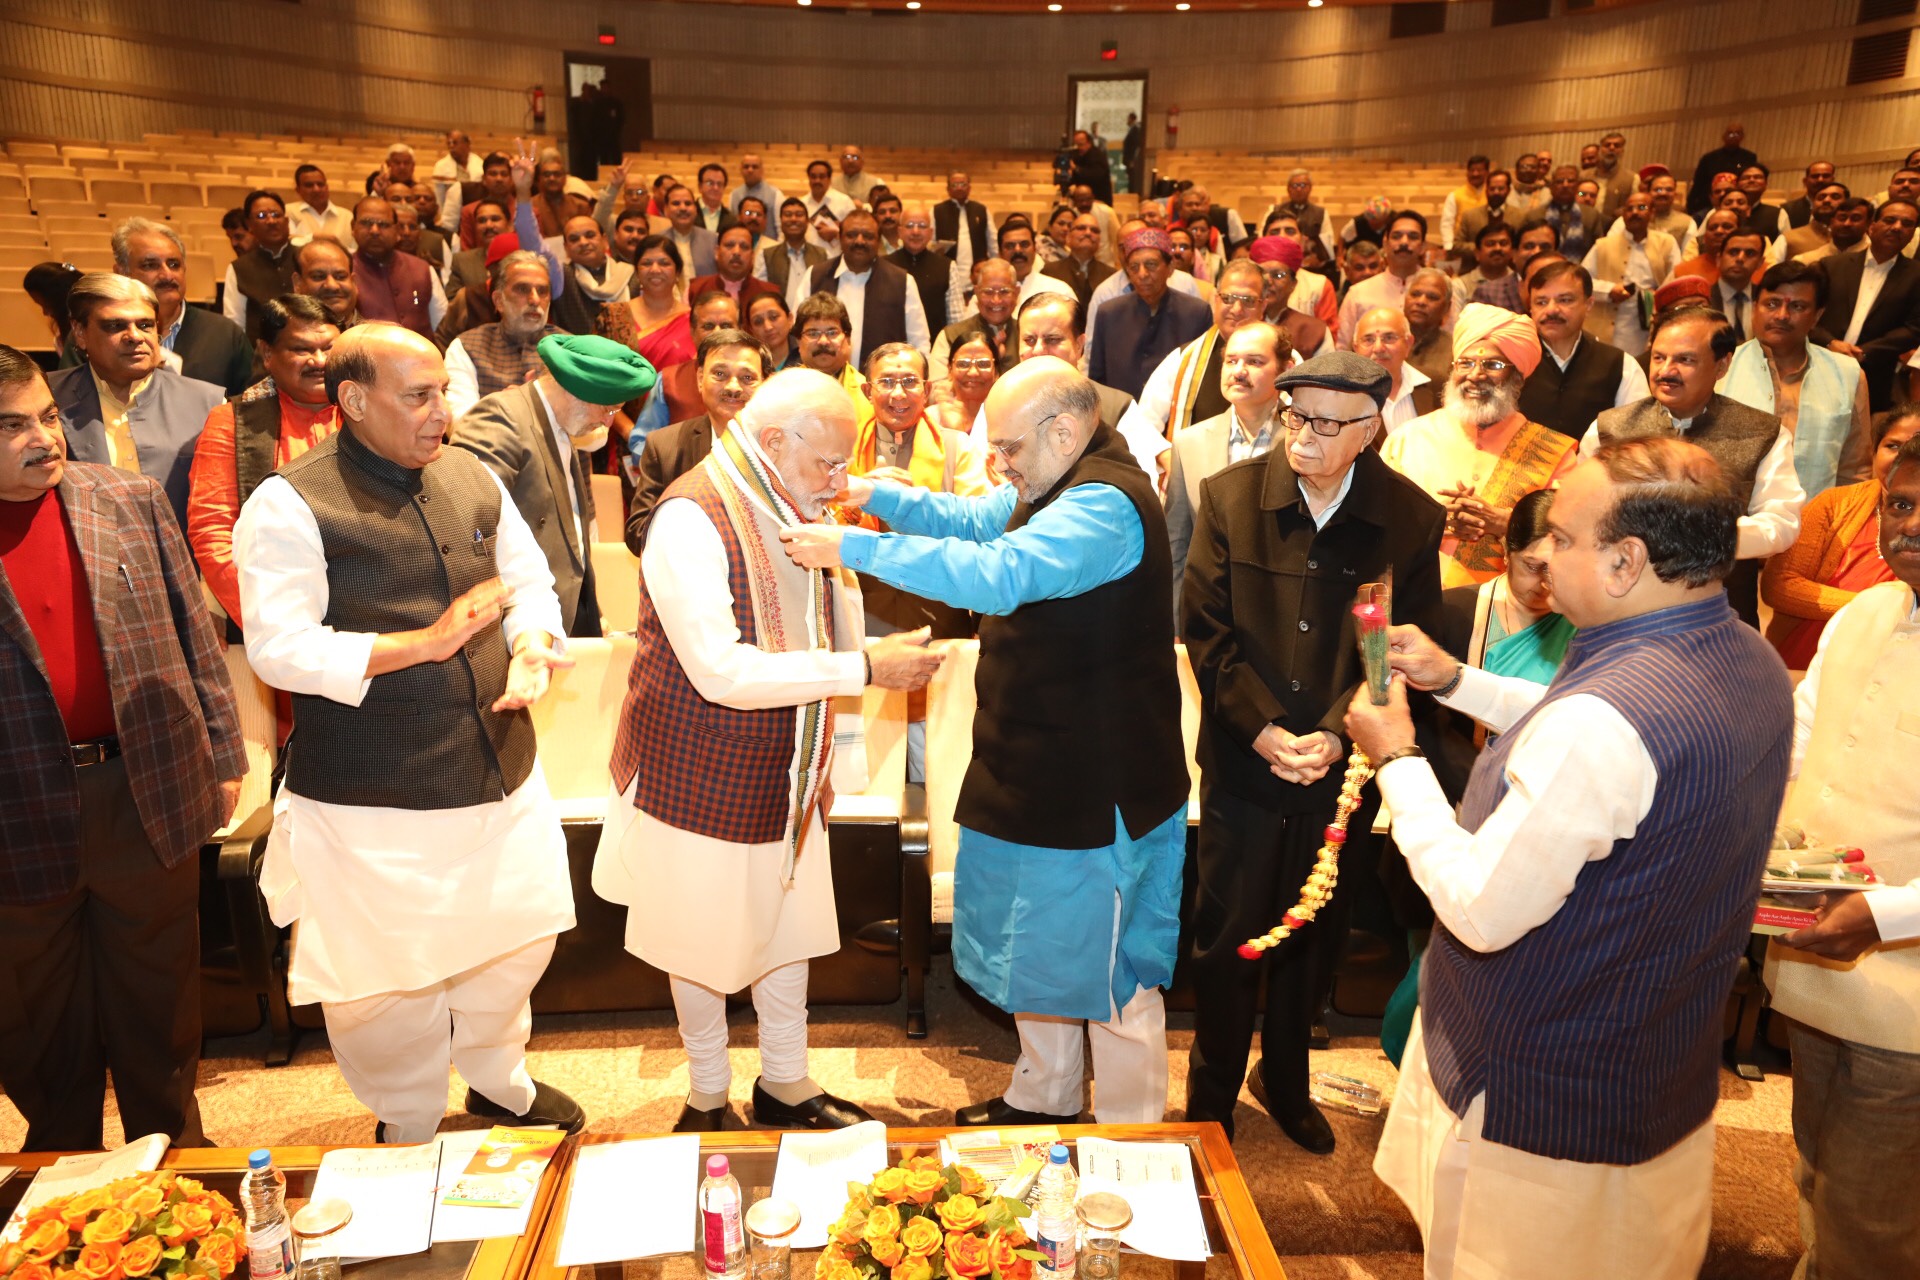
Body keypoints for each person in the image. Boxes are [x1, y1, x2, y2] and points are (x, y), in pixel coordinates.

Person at [1349, 435, 1792, 1280]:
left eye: (1561, 536)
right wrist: (1457, 681)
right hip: (1653, 1059)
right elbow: (1584, 723)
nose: (1542, 555)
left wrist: (1398, 761)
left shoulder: (1604, 723)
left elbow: (1480, 910)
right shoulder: (1747, 656)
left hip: (1546, 1096)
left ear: (1626, 562)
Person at [779, 357, 1188, 1128]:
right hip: (1036, 766)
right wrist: (870, 495)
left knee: (1111, 978)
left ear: (1065, 430)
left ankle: (1133, 1140)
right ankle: (1045, 1098)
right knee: (1043, 956)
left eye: (1008, 449)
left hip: (1099, 785)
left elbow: (998, 574)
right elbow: (973, 519)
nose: (998, 465)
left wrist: (852, 548)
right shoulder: (1052, 479)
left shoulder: (1104, 505)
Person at [235, 323, 583, 1144]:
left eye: (444, 392)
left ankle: (500, 1080)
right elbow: (279, 649)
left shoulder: (465, 472)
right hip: (373, 800)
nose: (443, 413)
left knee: (514, 946)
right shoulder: (289, 502)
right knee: (386, 985)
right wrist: (424, 644)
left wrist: (532, 645)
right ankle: (409, 1113)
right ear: (353, 401)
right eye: (419, 396)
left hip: (500, 772)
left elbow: (527, 582)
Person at [597, 368, 940, 1131]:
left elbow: (819, 609)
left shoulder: (781, 496)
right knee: (700, 940)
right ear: (775, 440)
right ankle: (708, 1094)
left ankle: (785, 1081)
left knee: (790, 929)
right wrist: (865, 669)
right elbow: (719, 671)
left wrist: (866, 649)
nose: (839, 481)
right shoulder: (693, 514)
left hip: (787, 763)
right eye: (830, 463)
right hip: (701, 765)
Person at [1181, 350, 1446, 1151]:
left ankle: (1287, 1081)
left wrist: (1336, 730)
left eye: (1328, 423)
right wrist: (1261, 727)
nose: (1304, 434)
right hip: (1243, 757)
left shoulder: (1409, 519)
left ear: (1370, 431)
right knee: (1228, 931)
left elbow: (1393, 645)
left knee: (1315, 931)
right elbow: (1205, 631)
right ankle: (1211, 1092)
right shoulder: (1227, 496)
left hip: (1342, 768)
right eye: (1295, 415)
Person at [0, 345, 245, 1152]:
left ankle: (174, 1157)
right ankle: (58, 1166)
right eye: (11, 426)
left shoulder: (127, 498)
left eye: (45, 416)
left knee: (161, 1001)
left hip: (144, 787)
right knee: (35, 1016)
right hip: (16, 808)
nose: (43, 438)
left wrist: (224, 750)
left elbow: (193, 636)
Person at [1764, 431, 1920, 1280]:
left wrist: (1885, 917)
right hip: (1817, 951)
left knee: (1874, 1215)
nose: (1911, 526)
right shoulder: (1863, 611)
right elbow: (1802, 746)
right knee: (1817, 1169)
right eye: (1900, 504)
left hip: (1909, 999)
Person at [1581, 306, 1805, 627]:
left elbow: (1781, 523)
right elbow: (1580, 507)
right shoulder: (1610, 428)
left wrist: (1701, 538)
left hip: (1722, 612)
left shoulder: (1762, 433)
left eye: (1685, 360)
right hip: (1624, 608)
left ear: (1722, 365)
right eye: (1659, 358)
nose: (1665, 371)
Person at [455, 333, 654, 637]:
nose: (610, 422)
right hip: (517, 623)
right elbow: (471, 526)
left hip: (563, 612)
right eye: (608, 409)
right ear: (577, 393)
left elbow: (569, 535)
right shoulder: (503, 417)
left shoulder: (560, 423)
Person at [1383, 305, 1576, 589]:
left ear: (1519, 378)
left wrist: (1506, 523)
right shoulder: (1407, 439)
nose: (1475, 374)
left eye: (1493, 365)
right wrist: (1434, 522)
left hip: (1508, 615)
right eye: (1465, 363)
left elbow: (1572, 537)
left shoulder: (1554, 453)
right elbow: (1372, 520)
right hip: (1412, 601)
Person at [187, 296, 341, 630]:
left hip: (368, 610)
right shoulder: (232, 420)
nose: (319, 361)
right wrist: (271, 623)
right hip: (267, 615)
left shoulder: (369, 412)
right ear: (268, 354)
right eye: (302, 349)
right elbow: (213, 531)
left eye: (329, 348)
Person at [53, 274, 225, 534]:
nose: (134, 336)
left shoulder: (209, 404)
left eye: (145, 325)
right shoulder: (47, 398)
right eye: (114, 325)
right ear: (80, 332)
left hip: (183, 567)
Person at [847, 343, 992, 641]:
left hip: (939, 609)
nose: (898, 394)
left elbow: (980, 528)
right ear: (867, 391)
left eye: (910, 382)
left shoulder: (957, 448)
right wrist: (857, 501)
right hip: (862, 611)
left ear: (926, 390)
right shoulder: (844, 451)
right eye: (886, 382)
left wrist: (918, 507)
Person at [1760, 406, 1920, 667]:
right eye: (1893, 445)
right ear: (1873, 453)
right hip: (1800, 664)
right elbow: (1779, 585)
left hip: (1892, 669)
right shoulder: (1835, 505)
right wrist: (1873, 607)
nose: (1904, 456)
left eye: (1916, 445)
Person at [1718, 260, 1872, 501]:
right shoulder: (1720, 369)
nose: (1782, 315)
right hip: (1734, 524)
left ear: (1817, 316)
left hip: (1816, 523)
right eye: (1772, 303)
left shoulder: (1847, 375)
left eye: (1798, 306)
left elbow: (1855, 471)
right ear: (1755, 307)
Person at [1164, 322, 1287, 617]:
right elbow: (1177, 544)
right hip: (1210, 610)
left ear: (1285, 370)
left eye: (1255, 361)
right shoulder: (1189, 442)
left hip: (1283, 610)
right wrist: (1178, 624)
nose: (1239, 371)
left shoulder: (1304, 439)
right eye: (1231, 361)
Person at [622, 327, 767, 550]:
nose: (733, 387)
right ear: (700, 379)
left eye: (747, 377)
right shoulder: (664, 446)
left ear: (764, 384)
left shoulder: (783, 447)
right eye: (720, 374)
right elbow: (638, 533)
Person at [1133, 260, 1274, 444]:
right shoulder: (1183, 359)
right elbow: (1143, 423)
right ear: (1216, 300)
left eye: (1248, 301)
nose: (1237, 309)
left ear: (1263, 307)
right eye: (1228, 298)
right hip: (1197, 469)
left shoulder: (1283, 360)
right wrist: (1164, 455)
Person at [112, 217, 253, 396]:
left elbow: (250, 408)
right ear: (122, 273)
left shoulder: (225, 335)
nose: (167, 275)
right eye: (150, 265)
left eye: (174, 265)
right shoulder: (100, 333)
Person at [1518, 260, 1651, 439]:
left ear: (1588, 305)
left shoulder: (1621, 366)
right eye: (1541, 302)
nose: (1551, 310)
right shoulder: (1513, 362)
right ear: (1530, 309)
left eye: (1564, 300)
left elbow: (1638, 438)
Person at [1809, 198, 1920, 411]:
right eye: (1890, 220)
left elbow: (1914, 328)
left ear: (1913, 233)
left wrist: (1864, 352)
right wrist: (1830, 342)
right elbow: (1808, 312)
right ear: (1872, 226)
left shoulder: (1916, 275)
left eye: (1907, 224)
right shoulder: (1832, 266)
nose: (1897, 227)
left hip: (1873, 377)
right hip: (1819, 364)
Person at [1089, 228, 1212, 400]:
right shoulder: (1109, 314)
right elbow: (1097, 379)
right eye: (1134, 267)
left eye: (1151, 265)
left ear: (1170, 268)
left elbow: (1205, 379)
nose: (1142, 274)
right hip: (1121, 419)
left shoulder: (1196, 313)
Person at [446, 251, 564, 419]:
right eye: (523, 289)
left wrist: (542, 403)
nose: (535, 300)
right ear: (499, 301)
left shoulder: (569, 348)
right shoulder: (467, 346)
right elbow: (458, 422)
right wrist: (510, 408)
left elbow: (596, 435)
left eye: (542, 291)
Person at [807, 209, 929, 368]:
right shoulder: (815, 276)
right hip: (825, 384)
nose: (859, 241)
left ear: (878, 241)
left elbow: (919, 342)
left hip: (883, 386)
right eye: (851, 235)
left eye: (868, 236)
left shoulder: (903, 281)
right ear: (840, 238)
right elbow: (798, 335)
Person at [1581, 190, 1680, 357]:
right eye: (1629, 209)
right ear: (1623, 215)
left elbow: (1676, 281)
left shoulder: (1666, 243)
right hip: (1605, 324)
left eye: (1641, 207)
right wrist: (1609, 290)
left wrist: (1657, 298)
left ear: (1652, 212)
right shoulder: (1603, 245)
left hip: (1648, 327)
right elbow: (1582, 282)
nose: (1634, 213)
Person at [1338, 210, 1441, 349]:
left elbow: (1452, 339)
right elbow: (1342, 349)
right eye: (1397, 236)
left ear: (1423, 246)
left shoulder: (1439, 288)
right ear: (1385, 243)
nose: (1404, 242)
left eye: (1413, 236)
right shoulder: (1358, 293)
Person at [350, 198, 445, 339]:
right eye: (366, 223)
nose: (374, 230)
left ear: (396, 230)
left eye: (383, 224)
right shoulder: (344, 272)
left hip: (421, 357)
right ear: (353, 227)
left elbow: (441, 324)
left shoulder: (422, 269)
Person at [599, 236, 691, 372]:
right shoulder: (614, 316)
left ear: (677, 272)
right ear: (637, 272)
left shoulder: (692, 320)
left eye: (664, 263)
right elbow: (598, 367)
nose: (655, 269)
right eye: (646, 263)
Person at [222, 190, 301, 342]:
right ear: (250, 225)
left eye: (276, 214)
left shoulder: (306, 259)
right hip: (259, 358)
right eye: (261, 216)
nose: (271, 221)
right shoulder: (239, 268)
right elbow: (235, 325)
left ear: (286, 221)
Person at [1353, 306, 1438, 434]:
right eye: (1368, 340)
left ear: (1408, 343)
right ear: (1356, 348)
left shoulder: (1436, 385)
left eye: (1389, 338)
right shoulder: (1345, 396)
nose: (1378, 348)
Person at [888, 202, 965, 337]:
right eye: (910, 225)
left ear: (930, 233)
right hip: (892, 350)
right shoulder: (885, 265)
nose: (915, 231)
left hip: (935, 351)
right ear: (899, 231)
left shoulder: (947, 267)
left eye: (922, 226)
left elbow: (956, 321)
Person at [550, 216, 633, 336]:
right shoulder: (562, 277)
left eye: (590, 235)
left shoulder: (631, 275)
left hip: (628, 352)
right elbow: (534, 244)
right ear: (566, 248)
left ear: (605, 240)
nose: (583, 242)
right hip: (576, 353)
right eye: (574, 239)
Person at [761, 197, 830, 315]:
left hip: (815, 318)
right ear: (781, 220)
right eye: (788, 215)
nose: (793, 219)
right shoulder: (765, 255)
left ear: (807, 221)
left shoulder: (823, 254)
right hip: (778, 321)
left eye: (799, 215)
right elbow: (761, 294)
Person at [690, 223, 779, 311]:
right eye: (729, 245)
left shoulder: (770, 293)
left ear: (752, 256)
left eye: (744, 247)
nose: (736, 252)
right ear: (717, 252)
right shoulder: (695, 290)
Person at [1523, 167, 1601, 263]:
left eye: (1571, 181)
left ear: (1577, 186)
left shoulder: (1591, 215)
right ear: (1551, 187)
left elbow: (1598, 252)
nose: (1565, 185)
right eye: (1559, 181)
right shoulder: (1534, 216)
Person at [1041, 211, 1116, 307]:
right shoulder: (1050, 272)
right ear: (1068, 237)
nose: (1088, 233)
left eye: (1094, 230)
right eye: (1081, 228)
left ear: (1099, 240)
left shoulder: (1111, 276)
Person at [1689, 121, 1757, 216]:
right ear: (1724, 136)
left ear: (1742, 137)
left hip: (1737, 203)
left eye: (1737, 133)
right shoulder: (1709, 158)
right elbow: (1698, 184)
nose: (1733, 136)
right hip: (1709, 204)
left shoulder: (1749, 157)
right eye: (1730, 133)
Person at [294, 238, 363, 331]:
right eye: (319, 276)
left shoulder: (378, 339)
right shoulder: (282, 339)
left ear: (354, 282)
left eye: (340, 276)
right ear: (297, 283)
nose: (332, 286)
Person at [1452, 222, 1522, 315]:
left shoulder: (1520, 283)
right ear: (1477, 253)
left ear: (1512, 251)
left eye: (1503, 243)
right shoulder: (1460, 286)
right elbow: (1455, 326)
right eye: (1490, 244)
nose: (1497, 248)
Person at [1402, 268, 1456, 386]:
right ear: (1405, 299)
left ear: (1447, 307)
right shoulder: (1384, 342)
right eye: (1415, 294)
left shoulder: (1454, 350)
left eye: (1432, 297)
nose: (1421, 302)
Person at [289, 164, 356, 252]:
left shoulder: (347, 216)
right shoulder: (288, 212)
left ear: (327, 187)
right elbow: (287, 243)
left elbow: (355, 250)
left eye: (320, 184)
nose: (316, 189)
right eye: (309, 185)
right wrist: (314, 238)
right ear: (298, 190)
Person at [1438, 155, 1490, 253]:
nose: (1475, 174)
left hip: (1488, 246)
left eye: (1479, 170)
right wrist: (1449, 246)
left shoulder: (1492, 194)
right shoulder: (1455, 195)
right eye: (1472, 170)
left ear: (1487, 172)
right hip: (1461, 247)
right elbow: (1447, 223)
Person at [746, 291, 799, 372]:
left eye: (774, 317)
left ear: (790, 319)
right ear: (751, 330)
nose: (768, 327)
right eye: (758, 322)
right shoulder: (748, 363)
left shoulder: (806, 355)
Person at [1067, 130, 1114, 207]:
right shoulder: (1076, 154)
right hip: (1080, 199)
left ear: (1089, 143)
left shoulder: (1097, 155)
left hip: (1098, 198)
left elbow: (1096, 175)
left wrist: (1076, 169)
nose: (1079, 147)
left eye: (1081, 144)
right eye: (1076, 144)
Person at [728, 153, 783, 217]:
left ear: (762, 170)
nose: (750, 170)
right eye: (746, 167)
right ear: (741, 170)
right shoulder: (734, 195)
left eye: (755, 167)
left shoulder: (776, 195)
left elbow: (779, 225)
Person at [692, 163, 737, 236]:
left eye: (719, 184)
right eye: (710, 183)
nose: (715, 188)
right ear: (700, 186)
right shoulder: (688, 214)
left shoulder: (732, 219)